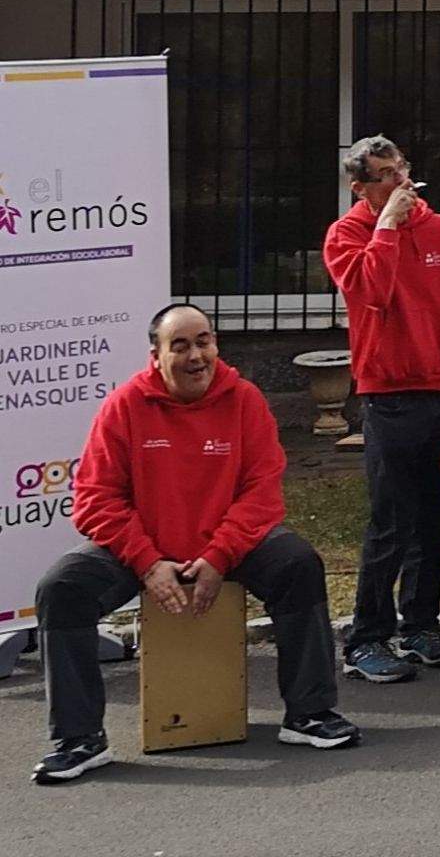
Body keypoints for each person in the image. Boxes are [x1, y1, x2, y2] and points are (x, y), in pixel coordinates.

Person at [32, 305, 359, 785]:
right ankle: (79, 739)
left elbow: (262, 492)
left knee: (298, 564)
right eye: (180, 346)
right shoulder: (125, 405)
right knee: (61, 588)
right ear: (156, 356)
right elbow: (95, 499)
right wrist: (148, 563)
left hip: (226, 543)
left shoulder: (244, 400)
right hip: (144, 548)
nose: (196, 356)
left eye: (203, 342)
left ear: (216, 345)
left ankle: (308, 714)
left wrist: (219, 554)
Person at [324, 134, 440, 682]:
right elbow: (373, 293)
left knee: (432, 516)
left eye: (401, 169)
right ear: (359, 187)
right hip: (388, 393)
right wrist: (386, 224)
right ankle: (366, 638)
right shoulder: (346, 236)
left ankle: (421, 625)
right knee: (390, 519)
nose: (401, 182)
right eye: (386, 175)